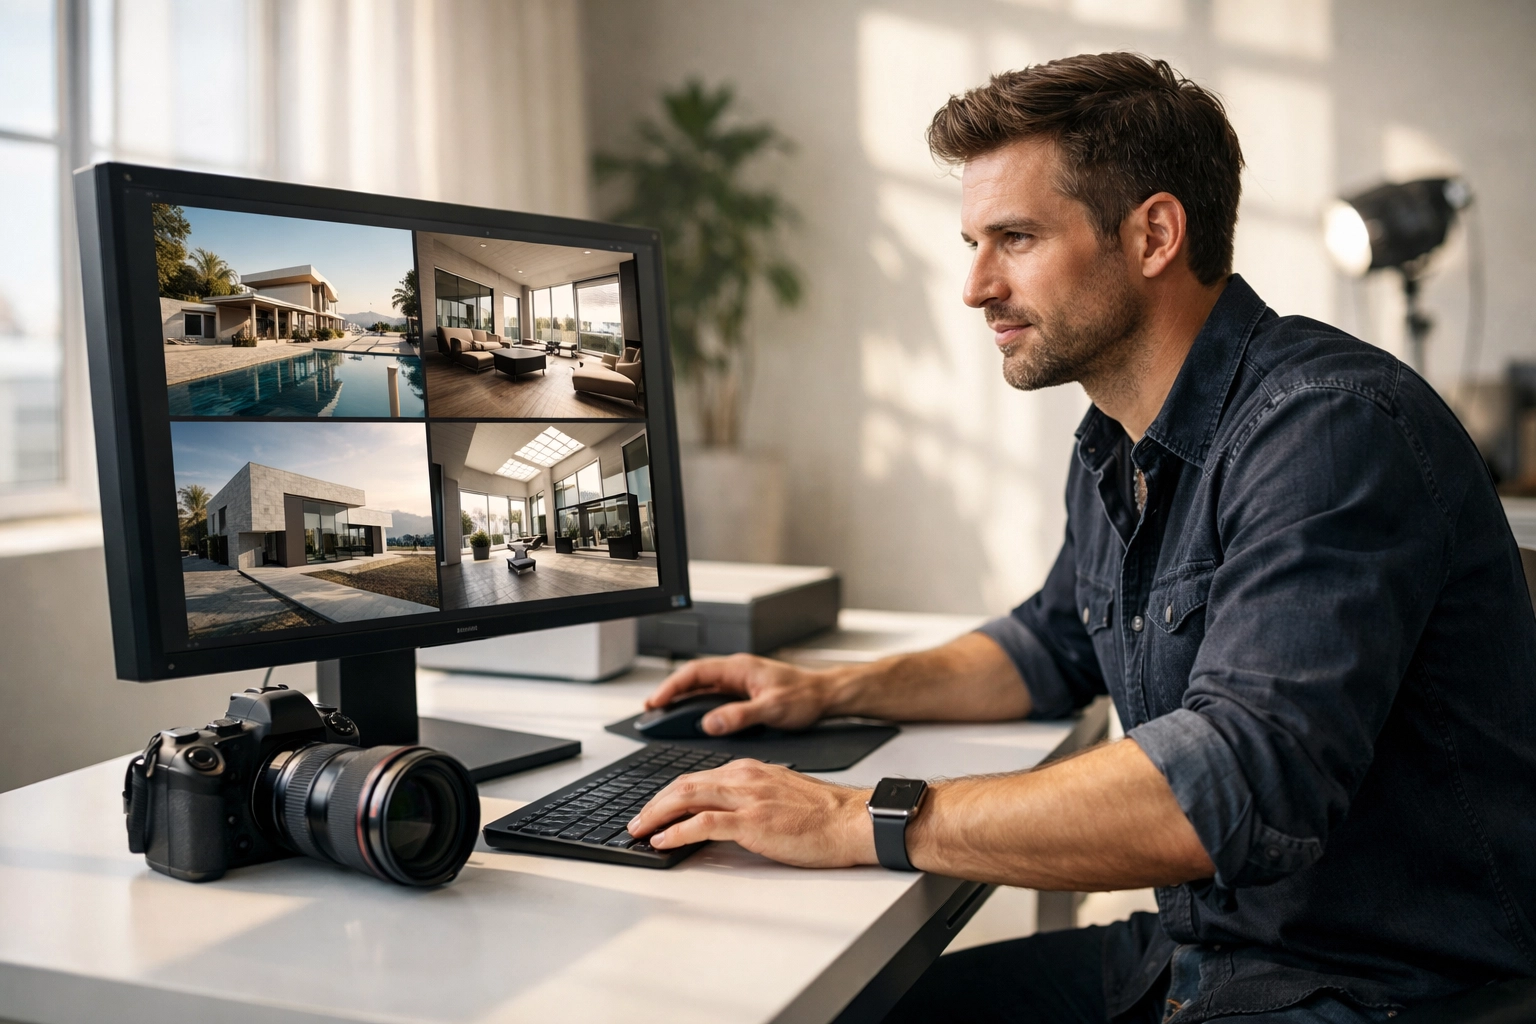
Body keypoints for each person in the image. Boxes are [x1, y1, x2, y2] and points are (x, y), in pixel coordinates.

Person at [624, 53, 1536, 1023]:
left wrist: (857, 816)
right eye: (974, 242)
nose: (975, 286)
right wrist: (827, 690)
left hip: (1377, 986)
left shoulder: (1329, 429)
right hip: (1207, 952)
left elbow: (1235, 783)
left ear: (1153, 234)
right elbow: (1046, 646)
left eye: (1014, 238)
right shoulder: (1116, 444)